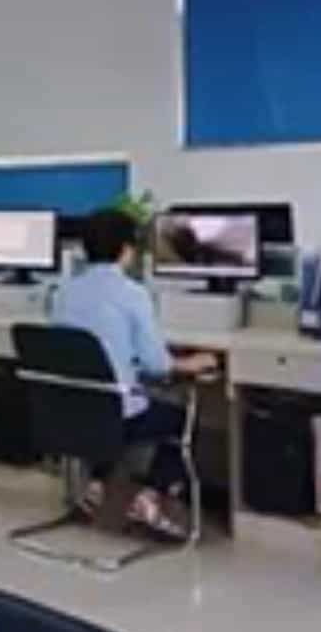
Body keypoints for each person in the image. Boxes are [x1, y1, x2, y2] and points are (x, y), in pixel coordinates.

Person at [48, 209, 218, 539]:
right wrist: (194, 362)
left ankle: (95, 488)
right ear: (127, 249)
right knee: (182, 416)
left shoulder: (62, 293)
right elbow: (158, 364)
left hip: (70, 412)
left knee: (102, 398)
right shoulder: (132, 295)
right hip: (115, 415)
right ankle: (149, 498)